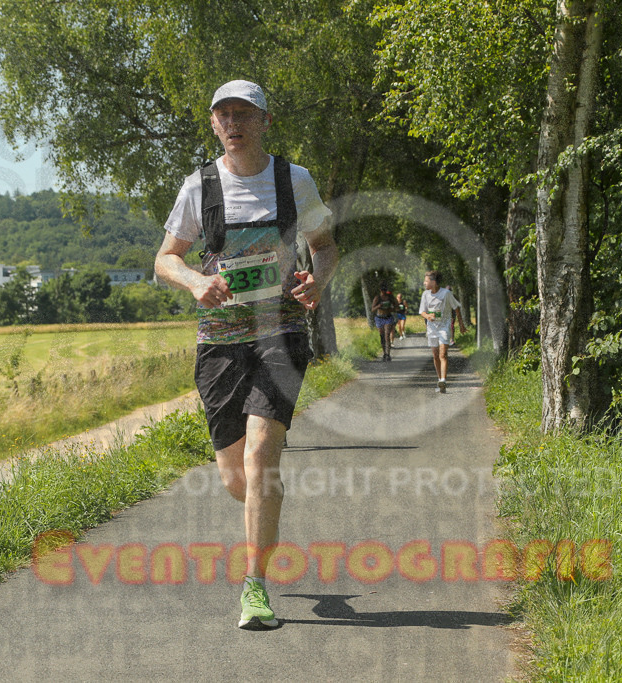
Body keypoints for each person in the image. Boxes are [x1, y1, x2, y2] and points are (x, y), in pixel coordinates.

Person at [154, 80, 338, 630]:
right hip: (219, 343)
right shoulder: (198, 186)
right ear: (214, 124)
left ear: (265, 121)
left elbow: (325, 247)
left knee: (262, 457)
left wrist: (317, 283)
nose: (232, 124)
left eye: (243, 114)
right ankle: (265, 508)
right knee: (239, 478)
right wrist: (193, 282)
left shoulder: (294, 180)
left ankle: (254, 587)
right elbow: (165, 258)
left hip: (280, 334)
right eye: (223, 115)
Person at [419, 270, 466, 393]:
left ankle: (443, 380)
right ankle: (439, 379)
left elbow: (456, 308)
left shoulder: (446, 294)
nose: (424, 283)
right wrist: (428, 316)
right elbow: (422, 311)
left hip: (444, 327)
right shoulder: (425, 295)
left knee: (443, 354)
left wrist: (461, 324)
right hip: (432, 329)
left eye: (426, 280)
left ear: (433, 282)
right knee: (435, 355)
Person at [371, 282, 397, 361]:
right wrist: (379, 306)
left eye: (385, 290)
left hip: (388, 318)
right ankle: (384, 353)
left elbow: (397, 307)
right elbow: (372, 309)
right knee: (382, 337)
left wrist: (391, 309)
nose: (384, 291)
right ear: (380, 290)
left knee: (387, 336)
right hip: (379, 318)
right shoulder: (377, 298)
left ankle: (388, 354)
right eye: (382, 290)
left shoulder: (390, 297)